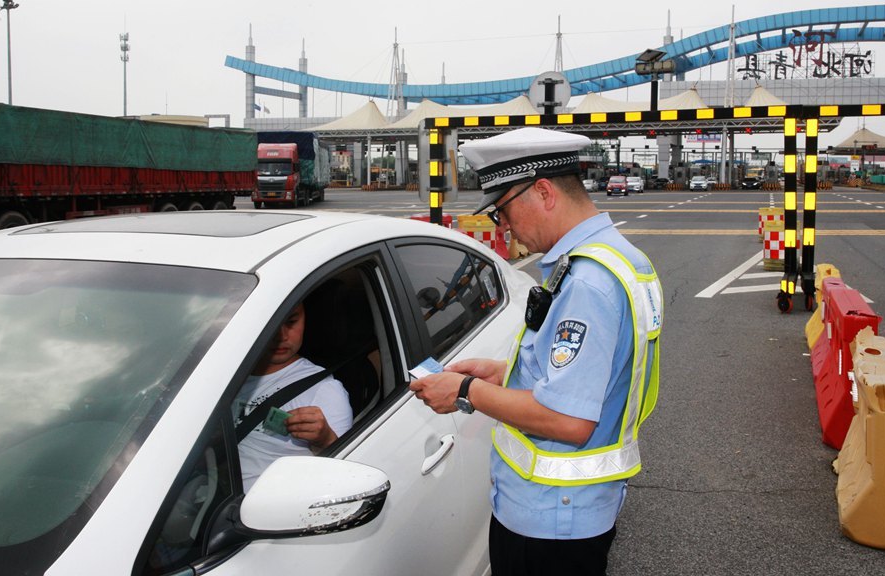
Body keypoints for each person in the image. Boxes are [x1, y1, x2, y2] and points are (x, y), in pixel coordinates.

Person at [410, 127, 663, 576]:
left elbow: (569, 420)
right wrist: (502, 372)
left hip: (550, 521)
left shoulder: (587, 282)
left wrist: (466, 390)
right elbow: (587, 374)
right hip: (564, 514)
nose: (503, 227)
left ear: (543, 192)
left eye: (502, 211)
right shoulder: (616, 258)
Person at [234, 303, 353, 492]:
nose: (281, 336)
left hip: (261, 512)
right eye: (270, 324)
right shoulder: (226, 373)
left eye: (291, 322)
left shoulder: (324, 389)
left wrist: (325, 439)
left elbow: (345, 477)